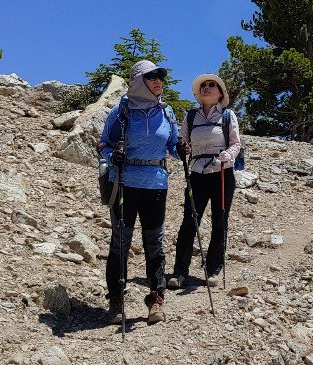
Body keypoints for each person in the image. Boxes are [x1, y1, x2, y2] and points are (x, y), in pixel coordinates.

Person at [97, 60, 179, 325]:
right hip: (124, 182)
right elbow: (103, 144)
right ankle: (116, 300)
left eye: (160, 77)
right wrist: (112, 156)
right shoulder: (120, 112)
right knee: (120, 242)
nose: (158, 81)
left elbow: (174, 146)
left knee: (154, 243)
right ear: (138, 81)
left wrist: (182, 149)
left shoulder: (167, 112)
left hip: (156, 184)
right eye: (151, 77)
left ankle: (156, 300)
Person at [167, 73, 241, 290]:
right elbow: (182, 141)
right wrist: (182, 147)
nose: (207, 87)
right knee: (189, 222)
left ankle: (213, 269)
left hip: (222, 172)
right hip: (197, 173)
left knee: (220, 221)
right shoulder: (191, 117)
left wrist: (229, 154)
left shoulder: (228, 115)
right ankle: (180, 272)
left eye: (212, 85)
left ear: (220, 93)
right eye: (204, 86)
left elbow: (236, 143)